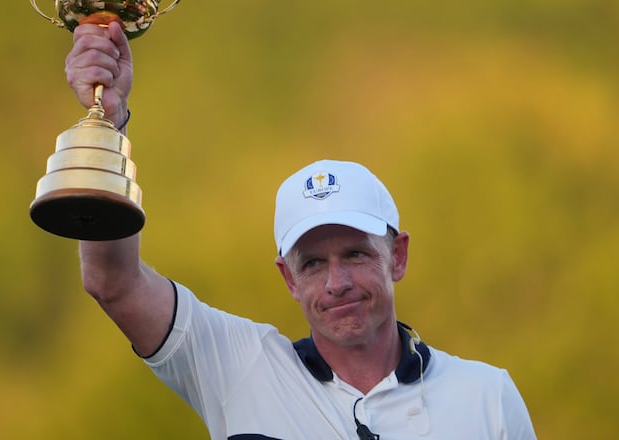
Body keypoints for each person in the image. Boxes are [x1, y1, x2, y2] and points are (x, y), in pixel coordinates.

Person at [66, 21, 537, 439]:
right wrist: (107, 121)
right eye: (312, 263)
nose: (338, 284)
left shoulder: (487, 396)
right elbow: (114, 282)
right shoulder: (239, 368)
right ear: (288, 278)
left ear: (398, 255)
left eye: (355, 253)